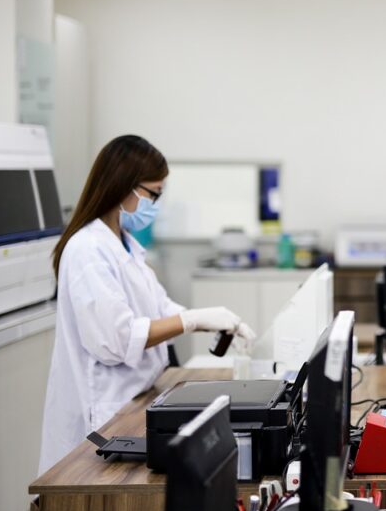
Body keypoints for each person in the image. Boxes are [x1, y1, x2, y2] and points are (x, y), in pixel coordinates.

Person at [38, 135, 256, 474]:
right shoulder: (87, 250)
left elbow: (158, 307)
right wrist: (193, 320)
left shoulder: (124, 245)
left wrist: (212, 319)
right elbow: (117, 339)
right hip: (104, 410)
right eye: (153, 194)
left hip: (136, 398)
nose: (155, 204)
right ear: (124, 186)